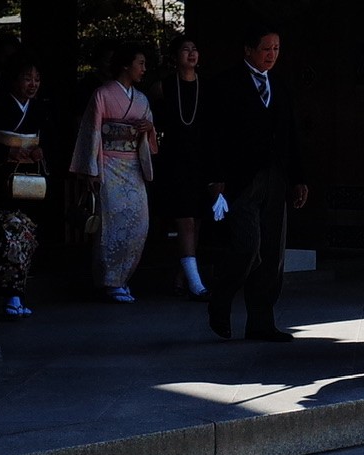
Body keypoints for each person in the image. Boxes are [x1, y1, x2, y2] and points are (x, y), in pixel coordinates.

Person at [203, 25, 308, 341]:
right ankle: (220, 301)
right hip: (240, 179)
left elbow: (292, 135)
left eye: (276, 48)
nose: (271, 55)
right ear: (248, 50)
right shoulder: (225, 84)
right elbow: (213, 136)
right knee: (248, 247)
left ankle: (261, 321)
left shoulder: (279, 85)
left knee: (273, 251)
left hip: (275, 176)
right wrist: (215, 179)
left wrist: (299, 178)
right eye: (266, 48)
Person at [69, 42, 156, 302]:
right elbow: (92, 131)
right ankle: (109, 281)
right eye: (140, 63)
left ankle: (123, 277)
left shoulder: (141, 99)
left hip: (133, 166)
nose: (144, 69)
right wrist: (92, 170)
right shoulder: (103, 94)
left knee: (139, 223)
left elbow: (150, 137)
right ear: (126, 65)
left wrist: (148, 128)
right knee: (112, 223)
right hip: (108, 164)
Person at [0, 56, 53, 317]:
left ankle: (17, 294)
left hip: (31, 183)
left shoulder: (41, 109)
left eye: (37, 79)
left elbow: (52, 140)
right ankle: (13, 295)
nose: (33, 84)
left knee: (28, 237)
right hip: (1, 182)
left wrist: (41, 151)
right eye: (27, 78)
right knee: (12, 237)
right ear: (13, 80)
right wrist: (5, 154)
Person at [154, 34, 211, 301]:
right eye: (185, 49)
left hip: (200, 160)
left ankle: (183, 276)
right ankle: (196, 283)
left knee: (196, 222)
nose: (191, 53)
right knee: (184, 220)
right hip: (174, 160)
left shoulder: (206, 86)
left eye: (195, 48)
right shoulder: (163, 86)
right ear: (175, 56)